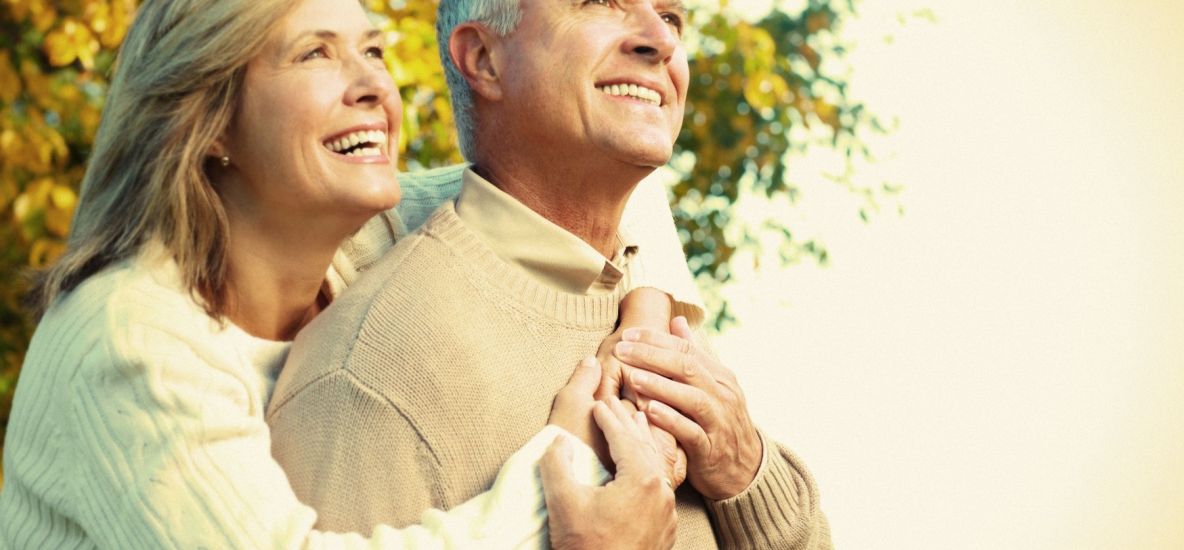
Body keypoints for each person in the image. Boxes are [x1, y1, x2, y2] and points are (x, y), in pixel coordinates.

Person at [0, 0, 700, 547]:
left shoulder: (357, 239)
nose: (373, 85)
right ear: (208, 121)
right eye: (315, 55)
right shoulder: (130, 340)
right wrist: (566, 471)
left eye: (372, 51)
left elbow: (608, 181)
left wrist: (636, 350)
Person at [267, 0, 833, 547]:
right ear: (485, 59)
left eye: (670, 16)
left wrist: (746, 473)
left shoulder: (658, 321)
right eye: (597, 1)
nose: (660, 40)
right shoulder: (372, 374)